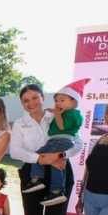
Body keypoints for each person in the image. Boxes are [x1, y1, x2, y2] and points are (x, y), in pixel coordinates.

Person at [8, 83, 77, 215]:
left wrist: (59, 155)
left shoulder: (58, 115)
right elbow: (15, 151)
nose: (31, 103)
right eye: (26, 100)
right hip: (32, 173)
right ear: (22, 103)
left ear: (42, 98)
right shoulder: (20, 123)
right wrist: (40, 159)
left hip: (60, 171)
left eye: (34, 98)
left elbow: (77, 142)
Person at [23, 79, 87, 207]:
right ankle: (55, 190)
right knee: (54, 165)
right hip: (56, 142)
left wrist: (57, 114)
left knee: (40, 156)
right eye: (56, 100)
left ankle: (38, 180)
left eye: (62, 100)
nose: (58, 103)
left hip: (61, 141)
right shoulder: (61, 113)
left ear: (74, 102)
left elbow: (62, 128)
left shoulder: (73, 114)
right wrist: (55, 113)